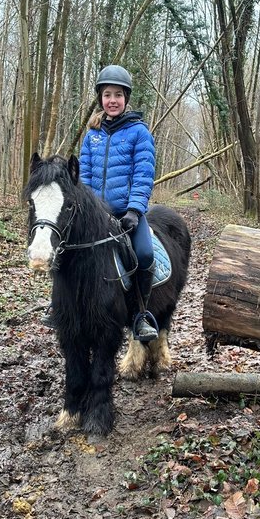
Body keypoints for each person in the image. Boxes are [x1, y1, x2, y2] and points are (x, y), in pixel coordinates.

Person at [79, 64, 159, 342]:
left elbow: (143, 174)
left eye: (118, 95)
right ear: (100, 98)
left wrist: (135, 210)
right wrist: (86, 210)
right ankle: (64, 307)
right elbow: (84, 176)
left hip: (128, 213)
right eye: (107, 94)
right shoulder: (92, 135)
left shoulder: (139, 133)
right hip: (96, 214)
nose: (112, 100)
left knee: (145, 254)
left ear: (126, 98)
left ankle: (140, 315)